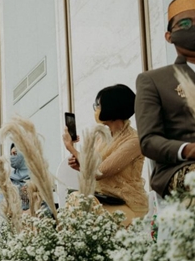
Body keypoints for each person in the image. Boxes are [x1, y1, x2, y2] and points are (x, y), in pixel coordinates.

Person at [136, 0, 195, 196]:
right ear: (169, 36)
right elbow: (148, 141)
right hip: (183, 167)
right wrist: (189, 149)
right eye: (184, 24)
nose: (194, 27)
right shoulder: (154, 80)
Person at [64, 84, 149, 225]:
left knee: (80, 203)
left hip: (127, 204)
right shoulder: (102, 136)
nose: (96, 109)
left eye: (98, 105)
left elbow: (100, 171)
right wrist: (80, 165)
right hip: (103, 199)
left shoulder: (134, 140)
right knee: (76, 200)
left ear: (112, 107)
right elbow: (94, 170)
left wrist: (71, 148)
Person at [10, 143, 31, 210]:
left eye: (15, 153)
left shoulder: (37, 178)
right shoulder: (8, 180)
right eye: (11, 154)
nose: (11, 157)